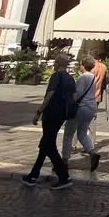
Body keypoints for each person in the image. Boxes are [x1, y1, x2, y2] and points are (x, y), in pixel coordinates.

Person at [23, 53, 75, 189]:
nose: (53, 65)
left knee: (49, 145)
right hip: (62, 115)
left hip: (51, 114)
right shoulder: (70, 78)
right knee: (46, 143)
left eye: (55, 63)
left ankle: (64, 176)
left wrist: (38, 112)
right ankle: (33, 175)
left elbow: (49, 95)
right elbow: (74, 97)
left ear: (58, 64)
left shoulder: (56, 76)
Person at [62, 57, 101, 171]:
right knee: (82, 133)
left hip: (81, 107)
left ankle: (65, 160)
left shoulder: (82, 77)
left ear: (83, 65)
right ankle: (92, 152)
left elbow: (77, 94)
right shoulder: (93, 76)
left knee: (69, 133)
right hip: (91, 107)